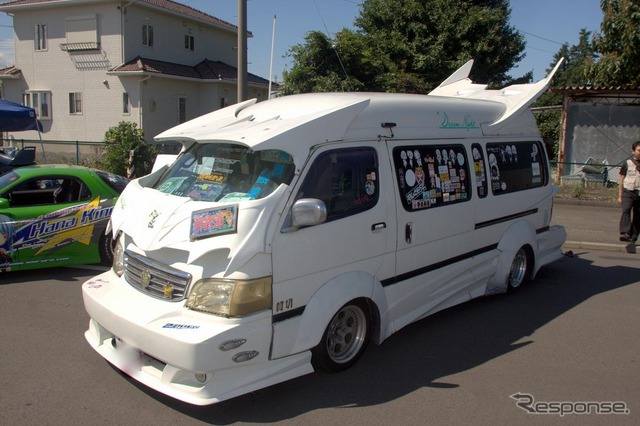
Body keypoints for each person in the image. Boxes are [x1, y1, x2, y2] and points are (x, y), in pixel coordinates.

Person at [618, 140, 640, 242]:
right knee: (626, 210)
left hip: (639, 193)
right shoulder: (627, 163)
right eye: (639, 150)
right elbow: (621, 180)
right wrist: (620, 195)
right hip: (628, 191)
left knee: (638, 215)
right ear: (633, 151)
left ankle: (633, 235)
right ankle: (624, 232)